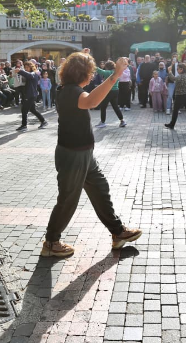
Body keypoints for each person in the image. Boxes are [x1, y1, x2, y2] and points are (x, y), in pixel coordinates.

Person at [42, 53, 141, 257]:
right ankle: (51, 242)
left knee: (100, 189)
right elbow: (91, 102)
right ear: (81, 73)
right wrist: (115, 75)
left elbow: (90, 99)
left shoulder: (71, 89)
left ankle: (117, 232)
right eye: (90, 72)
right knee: (68, 199)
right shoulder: (70, 91)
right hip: (73, 156)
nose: (92, 76)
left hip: (84, 154)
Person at [165, 63, 186, 131]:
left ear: (181, 69)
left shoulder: (181, 76)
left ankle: (172, 125)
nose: (177, 70)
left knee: (175, 110)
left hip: (181, 95)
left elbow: (173, 79)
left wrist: (170, 72)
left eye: (178, 69)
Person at [15, 61, 48, 131]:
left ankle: (24, 126)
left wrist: (20, 71)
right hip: (31, 94)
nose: (26, 69)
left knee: (24, 110)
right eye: (25, 68)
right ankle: (43, 121)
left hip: (30, 95)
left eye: (27, 67)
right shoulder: (33, 74)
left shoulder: (33, 73)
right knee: (32, 110)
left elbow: (29, 75)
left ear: (31, 67)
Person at [95, 61, 126, 128]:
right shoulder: (116, 72)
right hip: (116, 91)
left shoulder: (107, 72)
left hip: (108, 91)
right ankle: (122, 121)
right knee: (115, 107)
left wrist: (91, 63)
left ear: (107, 66)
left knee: (103, 107)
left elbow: (99, 70)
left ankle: (103, 122)